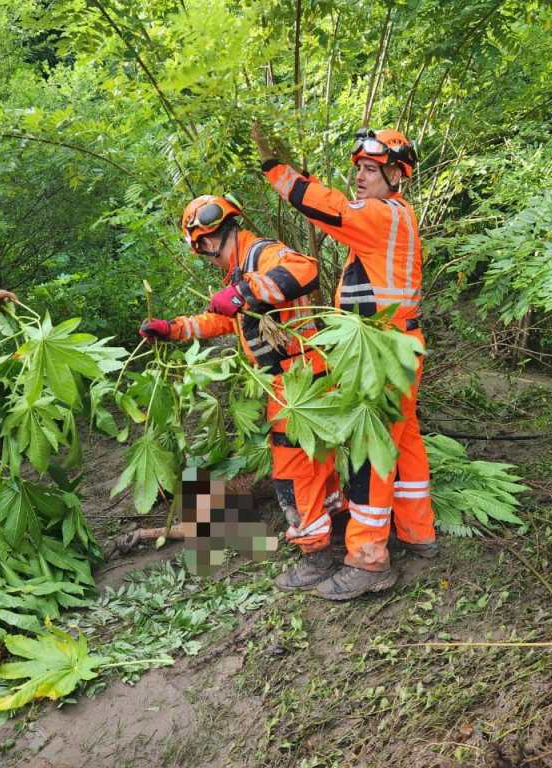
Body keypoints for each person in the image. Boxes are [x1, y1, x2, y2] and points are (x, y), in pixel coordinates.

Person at [254, 126, 437, 601]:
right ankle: (419, 533)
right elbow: (335, 216)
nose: (360, 177)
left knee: (368, 454)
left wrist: (279, 171)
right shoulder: (390, 218)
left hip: (381, 353)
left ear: (397, 175)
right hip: (396, 347)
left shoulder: (381, 216)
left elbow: (328, 208)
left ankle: (369, 559)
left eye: (371, 170)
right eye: (358, 168)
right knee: (405, 440)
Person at [139, 194, 345, 591]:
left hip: (298, 375)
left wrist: (244, 293)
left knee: (291, 470)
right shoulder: (239, 271)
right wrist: (173, 328)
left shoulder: (262, 255)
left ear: (210, 238)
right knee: (317, 463)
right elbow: (220, 321)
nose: (206, 258)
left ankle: (317, 554)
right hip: (293, 378)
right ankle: (334, 524)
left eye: (203, 249)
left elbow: (305, 270)